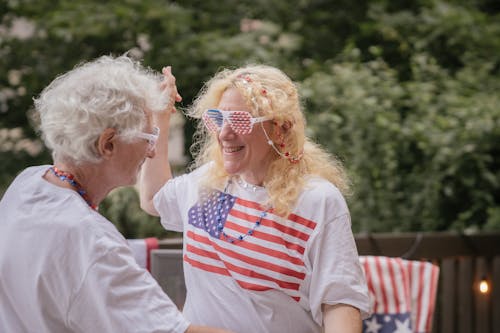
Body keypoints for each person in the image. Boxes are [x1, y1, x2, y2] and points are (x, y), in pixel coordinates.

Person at [0, 55, 231, 333]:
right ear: (107, 144)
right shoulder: (92, 242)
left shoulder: (29, 183)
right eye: (148, 139)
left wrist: (157, 117)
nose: (152, 151)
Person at [140, 64, 370, 333]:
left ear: (280, 128)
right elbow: (154, 198)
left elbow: (339, 302)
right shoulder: (208, 182)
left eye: (239, 120)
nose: (224, 133)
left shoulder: (317, 200)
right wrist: (160, 117)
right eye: (217, 118)